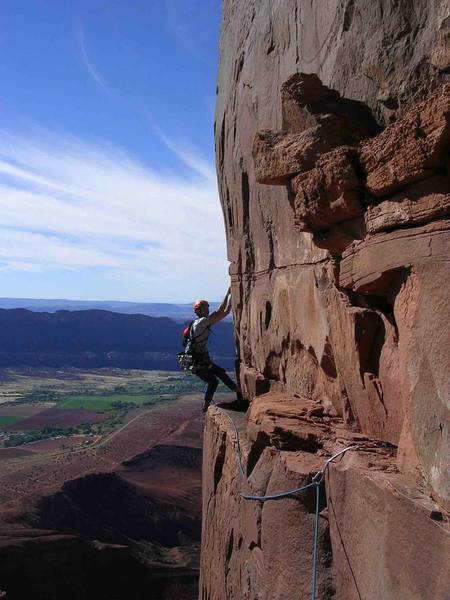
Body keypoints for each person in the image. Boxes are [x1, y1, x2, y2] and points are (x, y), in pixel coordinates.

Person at [187, 287, 243, 412]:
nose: (208, 310)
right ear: (199, 311)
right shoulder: (202, 322)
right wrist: (230, 293)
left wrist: (230, 295)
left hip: (199, 361)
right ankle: (208, 405)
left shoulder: (197, 322)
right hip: (199, 362)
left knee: (219, 375)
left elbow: (222, 311)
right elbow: (222, 311)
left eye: (207, 308)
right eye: (205, 308)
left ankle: (238, 394)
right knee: (214, 381)